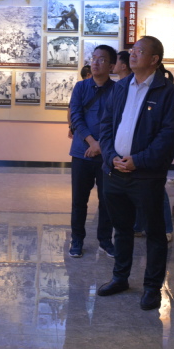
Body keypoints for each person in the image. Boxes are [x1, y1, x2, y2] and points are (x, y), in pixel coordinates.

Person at [96, 36, 174, 311]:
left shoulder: (167, 92)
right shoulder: (121, 87)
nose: (132, 55)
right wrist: (110, 156)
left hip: (145, 176)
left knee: (154, 233)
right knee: (121, 229)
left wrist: (138, 161)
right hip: (114, 172)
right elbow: (106, 125)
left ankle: (152, 288)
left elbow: (167, 137)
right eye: (132, 51)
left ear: (154, 59)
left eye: (140, 51)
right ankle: (120, 277)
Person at [68, 44, 117, 259]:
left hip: (106, 155)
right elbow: (76, 117)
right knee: (79, 200)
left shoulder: (118, 90)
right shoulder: (81, 88)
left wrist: (100, 146)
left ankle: (105, 241)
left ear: (112, 66)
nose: (95, 63)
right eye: (93, 58)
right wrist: (91, 142)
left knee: (107, 200)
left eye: (101, 59)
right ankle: (77, 239)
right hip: (82, 153)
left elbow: (117, 122)